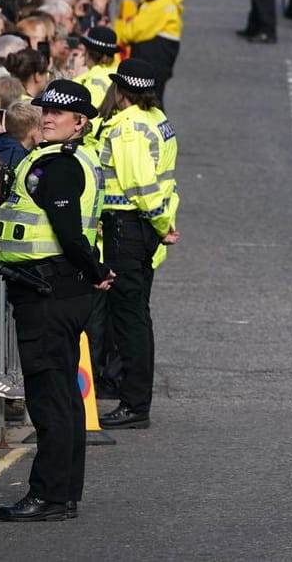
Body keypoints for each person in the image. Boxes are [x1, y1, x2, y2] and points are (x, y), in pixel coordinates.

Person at [0, 80, 111, 523]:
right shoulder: (65, 157)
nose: (47, 117)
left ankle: (50, 495)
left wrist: (97, 271)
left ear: (80, 123)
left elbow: (67, 229)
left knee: (49, 399)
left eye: (58, 113)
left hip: (49, 292)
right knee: (61, 396)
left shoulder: (60, 164)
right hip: (57, 289)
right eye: (44, 110)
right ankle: (61, 493)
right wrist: (95, 271)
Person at [95, 60, 179, 430]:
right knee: (136, 316)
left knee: (130, 321)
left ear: (121, 90)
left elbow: (142, 187)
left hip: (128, 228)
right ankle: (136, 400)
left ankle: (134, 404)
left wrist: (161, 224)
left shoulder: (127, 127)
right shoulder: (156, 118)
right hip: (143, 229)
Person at [116, 0, 183, 104]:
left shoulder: (161, 5)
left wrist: (117, 29)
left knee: (150, 101)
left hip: (154, 57)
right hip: (161, 57)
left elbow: (133, 31)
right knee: (152, 99)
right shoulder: (165, 1)